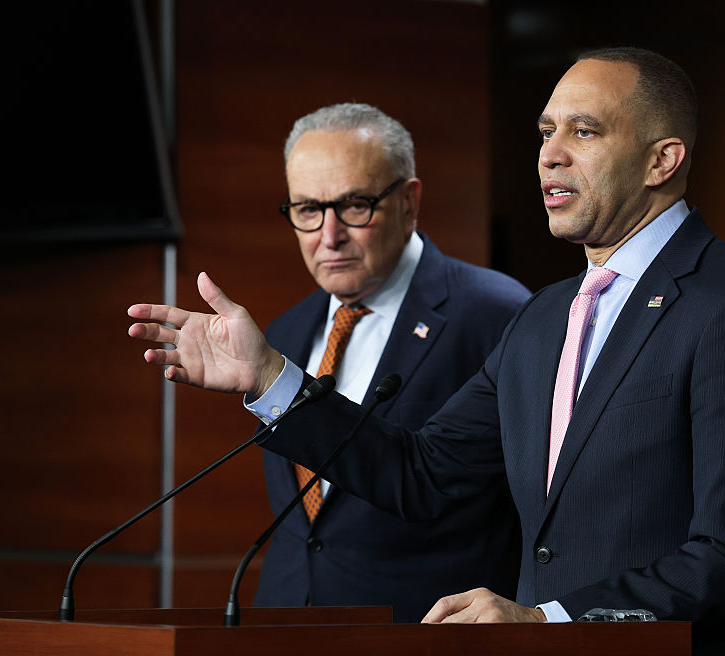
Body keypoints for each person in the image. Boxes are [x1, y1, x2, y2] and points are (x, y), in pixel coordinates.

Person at [129, 49, 725, 656]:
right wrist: (271, 377)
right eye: (545, 132)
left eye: (585, 133)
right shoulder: (545, 316)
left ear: (662, 160)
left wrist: (550, 619)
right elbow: (420, 473)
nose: (550, 156)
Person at [194, 103, 530, 623]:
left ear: (409, 202)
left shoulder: (496, 314)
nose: (329, 237)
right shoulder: (281, 334)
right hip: (282, 630)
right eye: (307, 210)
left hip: (425, 635)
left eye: (354, 206)